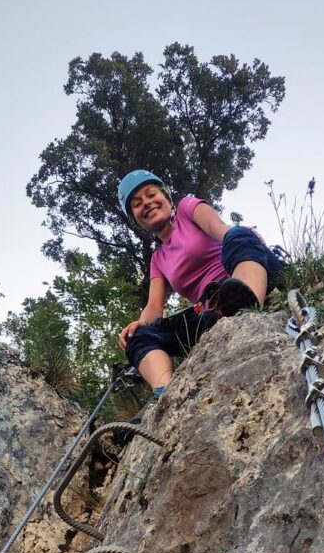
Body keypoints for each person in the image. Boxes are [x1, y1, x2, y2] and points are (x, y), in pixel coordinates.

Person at [116, 169, 284, 397]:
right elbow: (154, 306)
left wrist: (245, 238)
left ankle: (248, 301)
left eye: (151, 194)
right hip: (215, 311)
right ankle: (168, 394)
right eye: (136, 204)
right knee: (140, 337)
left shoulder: (187, 207)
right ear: (136, 219)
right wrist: (139, 324)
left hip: (252, 271)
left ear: (167, 198)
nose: (146, 203)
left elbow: (221, 230)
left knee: (237, 234)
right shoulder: (158, 259)